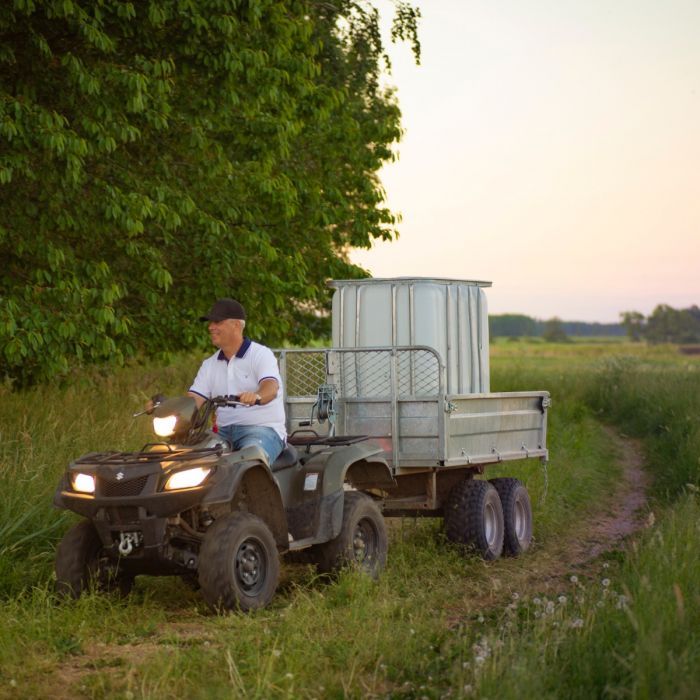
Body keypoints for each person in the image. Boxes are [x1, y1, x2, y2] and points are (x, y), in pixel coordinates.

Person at [187, 298, 286, 464]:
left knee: (249, 461)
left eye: (217, 322)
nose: (211, 327)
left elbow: (271, 387)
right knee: (189, 459)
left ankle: (256, 489)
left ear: (237, 325)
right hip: (222, 432)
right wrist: (169, 409)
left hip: (262, 430)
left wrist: (257, 396)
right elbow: (194, 399)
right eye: (210, 323)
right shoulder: (209, 364)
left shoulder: (261, 354)